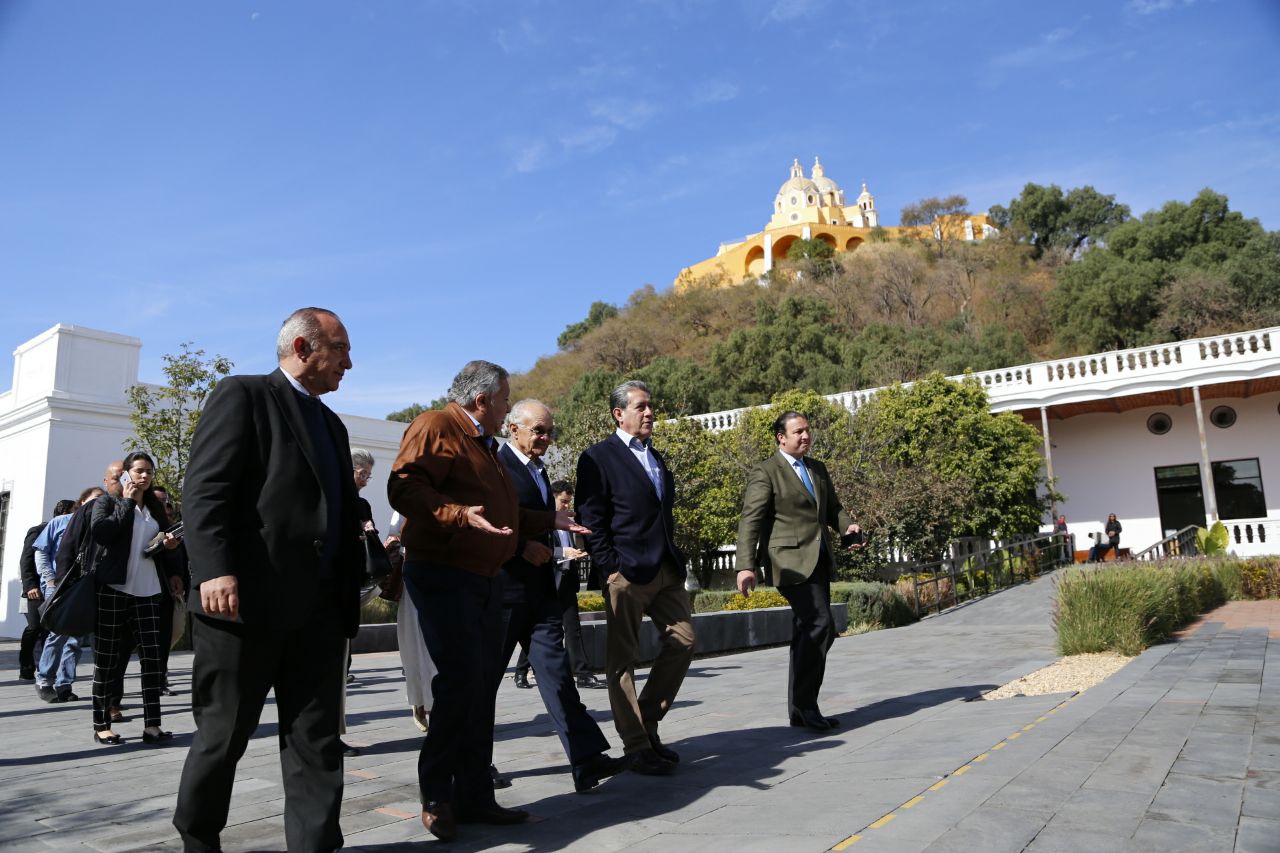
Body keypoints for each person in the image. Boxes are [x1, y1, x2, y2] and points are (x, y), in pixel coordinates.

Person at [173, 307, 364, 853]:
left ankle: (315, 845)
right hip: (243, 606)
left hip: (319, 612)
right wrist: (214, 569)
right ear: (303, 348)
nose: (349, 363)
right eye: (340, 348)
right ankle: (198, 840)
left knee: (317, 740)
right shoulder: (244, 396)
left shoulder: (332, 424)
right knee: (223, 736)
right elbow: (205, 491)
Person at [388, 360, 586, 842]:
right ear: (481, 400)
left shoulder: (484, 444)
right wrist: (457, 515)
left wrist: (548, 521)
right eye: (504, 400)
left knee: (478, 689)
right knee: (459, 683)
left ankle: (475, 797)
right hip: (444, 574)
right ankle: (437, 794)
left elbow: (502, 513)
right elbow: (403, 487)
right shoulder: (436, 426)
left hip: (484, 579)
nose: (506, 408)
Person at [494, 400, 628, 793]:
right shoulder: (497, 466)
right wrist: (521, 548)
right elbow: (493, 522)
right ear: (513, 429)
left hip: (540, 592)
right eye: (538, 430)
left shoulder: (538, 470)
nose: (546, 438)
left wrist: (551, 549)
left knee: (557, 675)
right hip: (503, 593)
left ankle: (586, 759)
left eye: (550, 431)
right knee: (483, 684)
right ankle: (473, 764)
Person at [574, 379, 694, 776]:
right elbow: (591, 517)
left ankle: (646, 721)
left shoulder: (655, 456)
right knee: (621, 660)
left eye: (650, 406)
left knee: (684, 641)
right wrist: (610, 567)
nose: (649, 412)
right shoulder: (598, 457)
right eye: (640, 406)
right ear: (618, 413)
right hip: (625, 572)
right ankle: (637, 745)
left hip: (665, 569)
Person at [735, 411, 859, 732]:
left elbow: (832, 508)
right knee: (821, 625)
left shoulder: (817, 468)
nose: (805, 436)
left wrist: (847, 526)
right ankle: (806, 705)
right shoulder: (766, 471)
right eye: (798, 431)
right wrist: (745, 565)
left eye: (807, 430)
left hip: (819, 559)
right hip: (788, 562)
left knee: (809, 630)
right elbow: (751, 519)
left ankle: (799, 709)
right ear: (781, 437)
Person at [87, 451, 184, 746]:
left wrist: (169, 547)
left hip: (149, 590)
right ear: (127, 473)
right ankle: (101, 724)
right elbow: (102, 533)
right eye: (139, 471)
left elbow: (162, 543)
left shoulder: (155, 508)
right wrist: (127, 502)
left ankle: (152, 725)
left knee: (152, 660)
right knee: (107, 659)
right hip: (113, 589)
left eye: (149, 472)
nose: (145, 476)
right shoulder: (107, 502)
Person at [34, 483, 106, 702]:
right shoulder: (60, 522)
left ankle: (65, 683)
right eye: (95, 499)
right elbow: (41, 552)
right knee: (57, 633)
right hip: (60, 584)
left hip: (85, 586)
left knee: (76, 638)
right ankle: (44, 680)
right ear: (82, 501)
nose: (99, 504)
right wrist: (49, 579)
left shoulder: (100, 525)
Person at [549, 479, 606, 690]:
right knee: (546, 629)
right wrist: (561, 552)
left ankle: (582, 674)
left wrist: (576, 553)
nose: (566, 506)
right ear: (553, 498)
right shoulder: (544, 522)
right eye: (563, 502)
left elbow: (572, 546)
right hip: (549, 583)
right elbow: (541, 549)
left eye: (568, 502)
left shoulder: (569, 524)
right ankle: (522, 669)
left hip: (568, 581)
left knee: (573, 629)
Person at [387, 511, 436, 733]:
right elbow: (393, 534)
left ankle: (436, 704)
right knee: (416, 647)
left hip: (445, 578)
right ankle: (419, 701)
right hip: (413, 578)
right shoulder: (406, 503)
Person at [18, 499, 76, 682]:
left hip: (56, 588)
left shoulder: (73, 532)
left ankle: (43, 667)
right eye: (74, 510)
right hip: (35, 589)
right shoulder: (39, 530)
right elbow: (26, 560)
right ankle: (26, 666)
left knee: (48, 629)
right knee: (34, 627)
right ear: (65, 512)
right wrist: (30, 586)